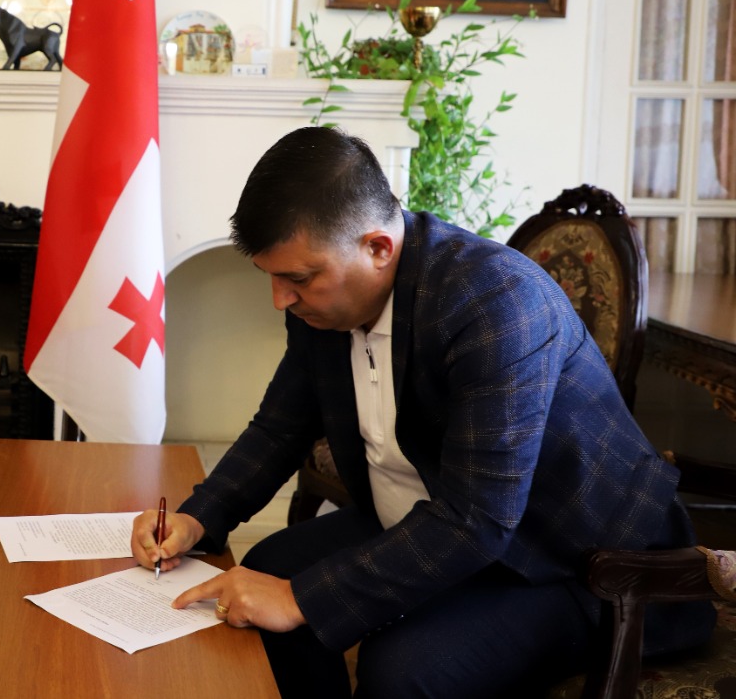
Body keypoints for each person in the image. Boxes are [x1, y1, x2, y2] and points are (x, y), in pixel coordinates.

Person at [130, 126, 714, 697]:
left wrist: (300, 599)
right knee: (268, 566)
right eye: (273, 277)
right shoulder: (325, 304)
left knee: (402, 670)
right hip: (430, 517)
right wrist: (199, 517)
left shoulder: (493, 303)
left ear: (378, 247)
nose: (280, 298)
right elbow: (279, 428)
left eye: (298, 278)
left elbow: (478, 519)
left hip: (575, 561)